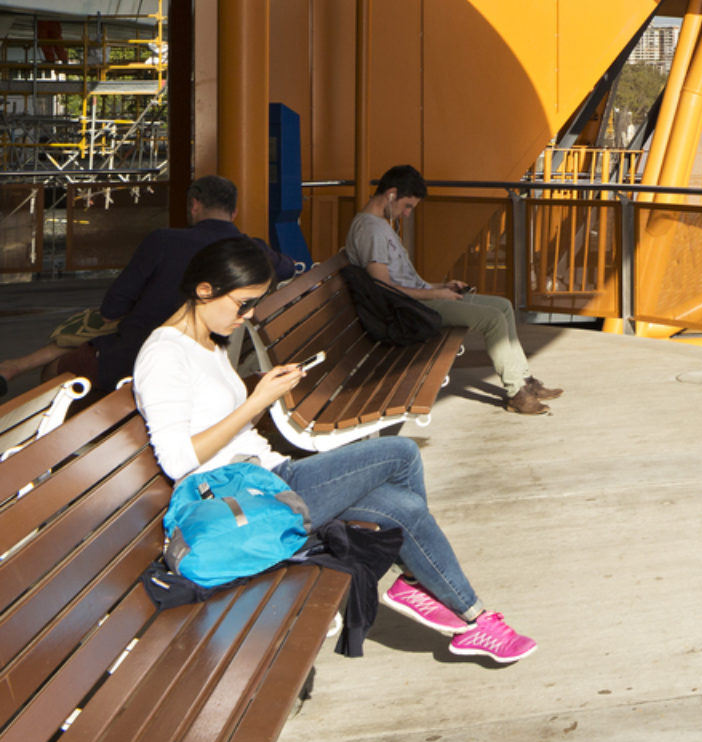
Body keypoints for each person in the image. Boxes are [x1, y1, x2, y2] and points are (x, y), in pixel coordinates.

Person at [131, 237, 536, 664]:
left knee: (404, 509)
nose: (247, 316)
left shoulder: (208, 342)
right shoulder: (165, 356)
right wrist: (257, 401)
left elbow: (221, 425)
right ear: (204, 290)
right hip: (247, 499)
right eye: (243, 304)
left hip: (267, 477)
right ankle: (418, 585)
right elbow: (177, 460)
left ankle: (473, 619)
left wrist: (263, 392)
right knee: (400, 454)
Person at [0, 175, 299, 396]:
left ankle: (16, 378)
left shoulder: (163, 241)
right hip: (205, 363)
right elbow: (288, 265)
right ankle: (11, 367)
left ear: (194, 206)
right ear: (234, 213)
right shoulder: (253, 251)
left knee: (56, 370)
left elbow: (111, 309)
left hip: (133, 357)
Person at [346, 165, 558, 416]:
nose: (407, 214)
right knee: (492, 319)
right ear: (391, 194)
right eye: (407, 206)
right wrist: (435, 295)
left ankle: (524, 379)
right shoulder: (370, 230)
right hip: (407, 310)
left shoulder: (378, 225)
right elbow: (385, 289)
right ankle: (516, 393)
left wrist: (440, 286)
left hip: (415, 300)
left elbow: (402, 281)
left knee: (503, 305)